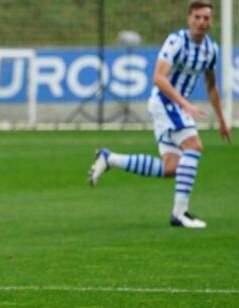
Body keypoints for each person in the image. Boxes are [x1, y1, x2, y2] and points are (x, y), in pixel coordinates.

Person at [88, 1, 231, 228]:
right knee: (194, 146)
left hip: (175, 107)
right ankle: (180, 214)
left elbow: (211, 85)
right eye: (197, 17)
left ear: (211, 21)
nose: (202, 22)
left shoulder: (211, 49)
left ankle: (109, 158)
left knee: (171, 168)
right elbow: (159, 78)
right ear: (189, 19)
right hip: (165, 102)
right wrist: (186, 105)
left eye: (207, 18)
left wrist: (222, 120)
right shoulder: (176, 41)